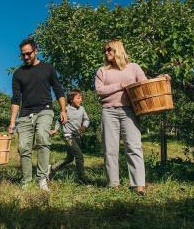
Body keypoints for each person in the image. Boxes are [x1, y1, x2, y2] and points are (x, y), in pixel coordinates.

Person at [94, 39, 159, 195]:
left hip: (130, 111)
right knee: (110, 149)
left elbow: (145, 86)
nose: (107, 52)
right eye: (105, 50)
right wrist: (120, 85)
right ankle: (113, 184)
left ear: (118, 50)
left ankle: (139, 185)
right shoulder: (102, 71)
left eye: (110, 49)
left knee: (134, 146)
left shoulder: (133, 68)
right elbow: (99, 90)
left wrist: (160, 78)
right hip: (108, 111)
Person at [8, 37, 67, 191]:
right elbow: (16, 99)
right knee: (23, 147)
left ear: (36, 51)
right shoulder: (18, 73)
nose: (26, 57)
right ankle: (26, 181)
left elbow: (59, 90)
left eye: (29, 53)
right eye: (23, 55)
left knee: (42, 137)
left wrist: (63, 110)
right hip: (25, 113)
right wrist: (12, 122)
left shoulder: (48, 68)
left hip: (45, 110)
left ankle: (42, 179)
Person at [49, 89, 90, 183]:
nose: (81, 100)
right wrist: (55, 129)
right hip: (68, 136)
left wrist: (84, 126)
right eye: (78, 98)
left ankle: (52, 169)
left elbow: (87, 119)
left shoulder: (82, 109)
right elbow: (59, 121)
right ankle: (81, 178)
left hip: (77, 136)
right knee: (79, 156)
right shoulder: (66, 109)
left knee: (70, 158)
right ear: (71, 99)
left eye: (81, 98)